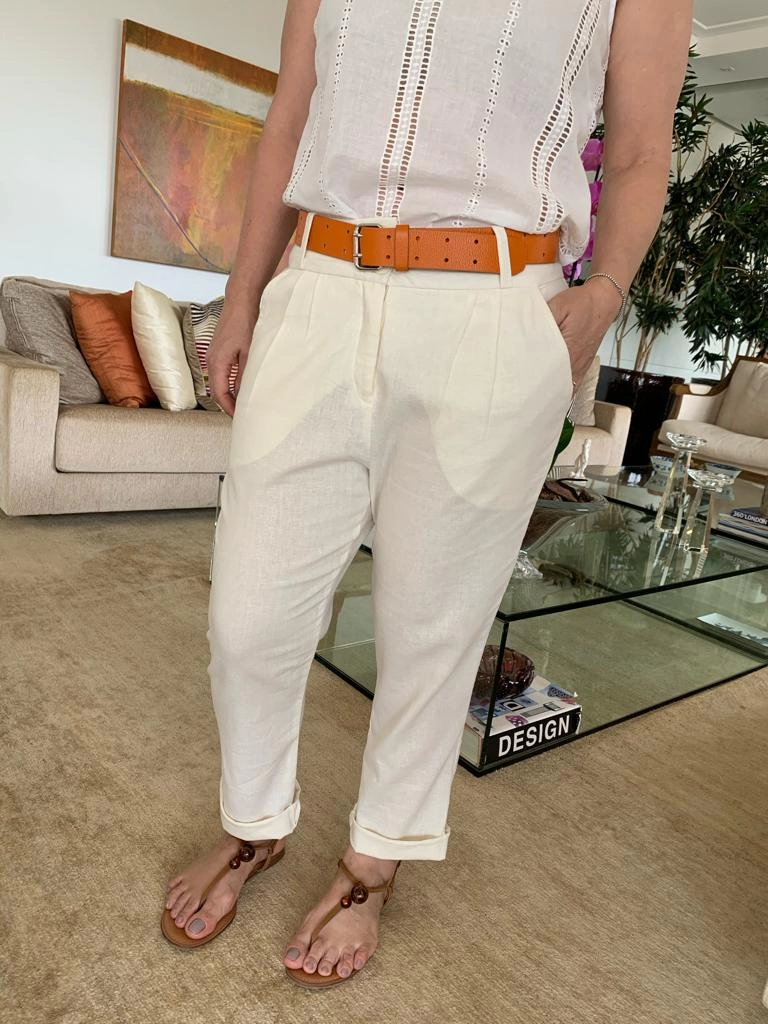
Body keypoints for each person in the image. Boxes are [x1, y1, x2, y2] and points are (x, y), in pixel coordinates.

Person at [162, 0, 693, 989]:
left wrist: (605, 292)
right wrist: (240, 299)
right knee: (247, 617)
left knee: (430, 629)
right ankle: (256, 823)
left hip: (494, 308)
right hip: (317, 289)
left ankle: (374, 863)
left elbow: (637, 152)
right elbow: (291, 119)